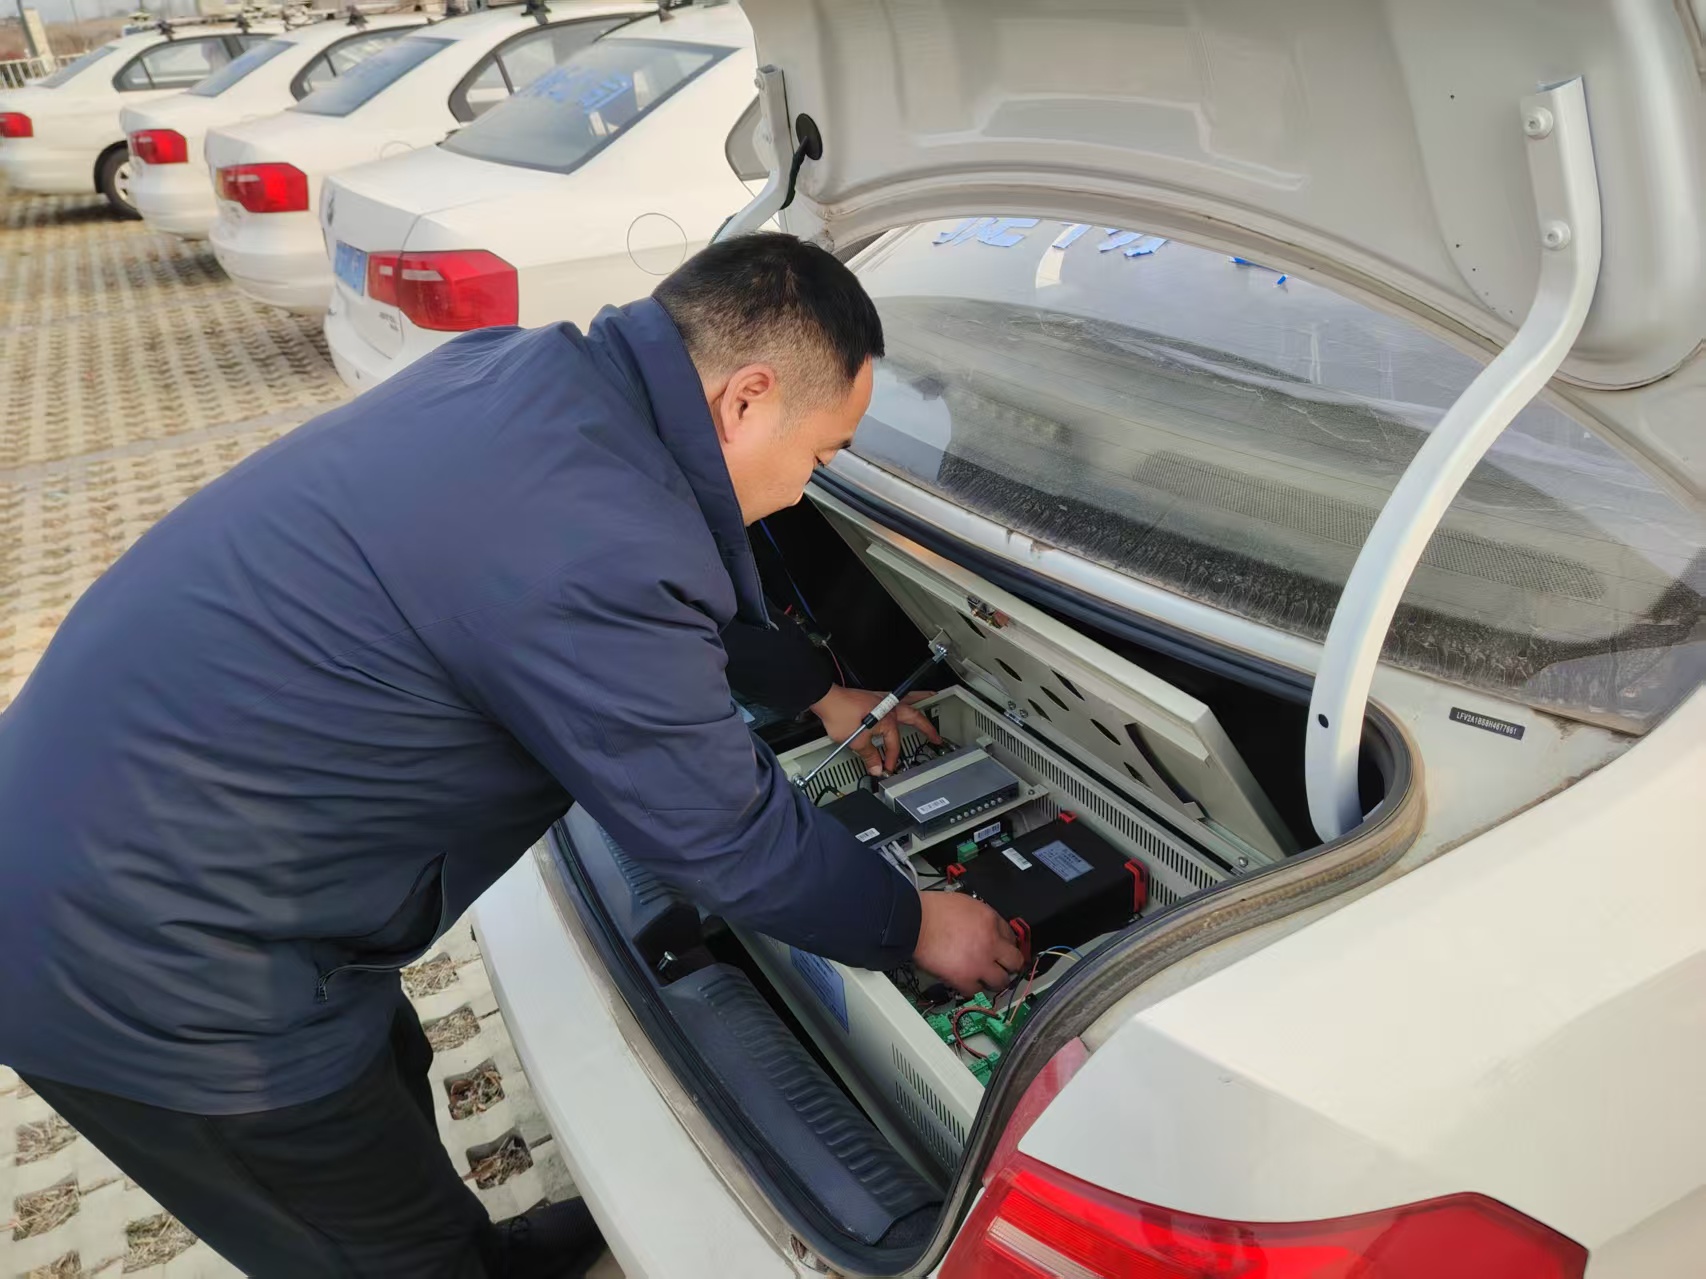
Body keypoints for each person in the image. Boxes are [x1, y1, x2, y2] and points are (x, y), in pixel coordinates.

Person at [0, 233, 1024, 1278]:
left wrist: (816, 689)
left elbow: (647, 595)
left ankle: (474, 1250)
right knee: (364, 1234)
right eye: (820, 453)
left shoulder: (527, 379)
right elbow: (724, 835)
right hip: (142, 960)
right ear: (748, 398)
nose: (807, 489)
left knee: (382, 1073)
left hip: (142, 831)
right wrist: (913, 921)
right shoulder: (593, 531)